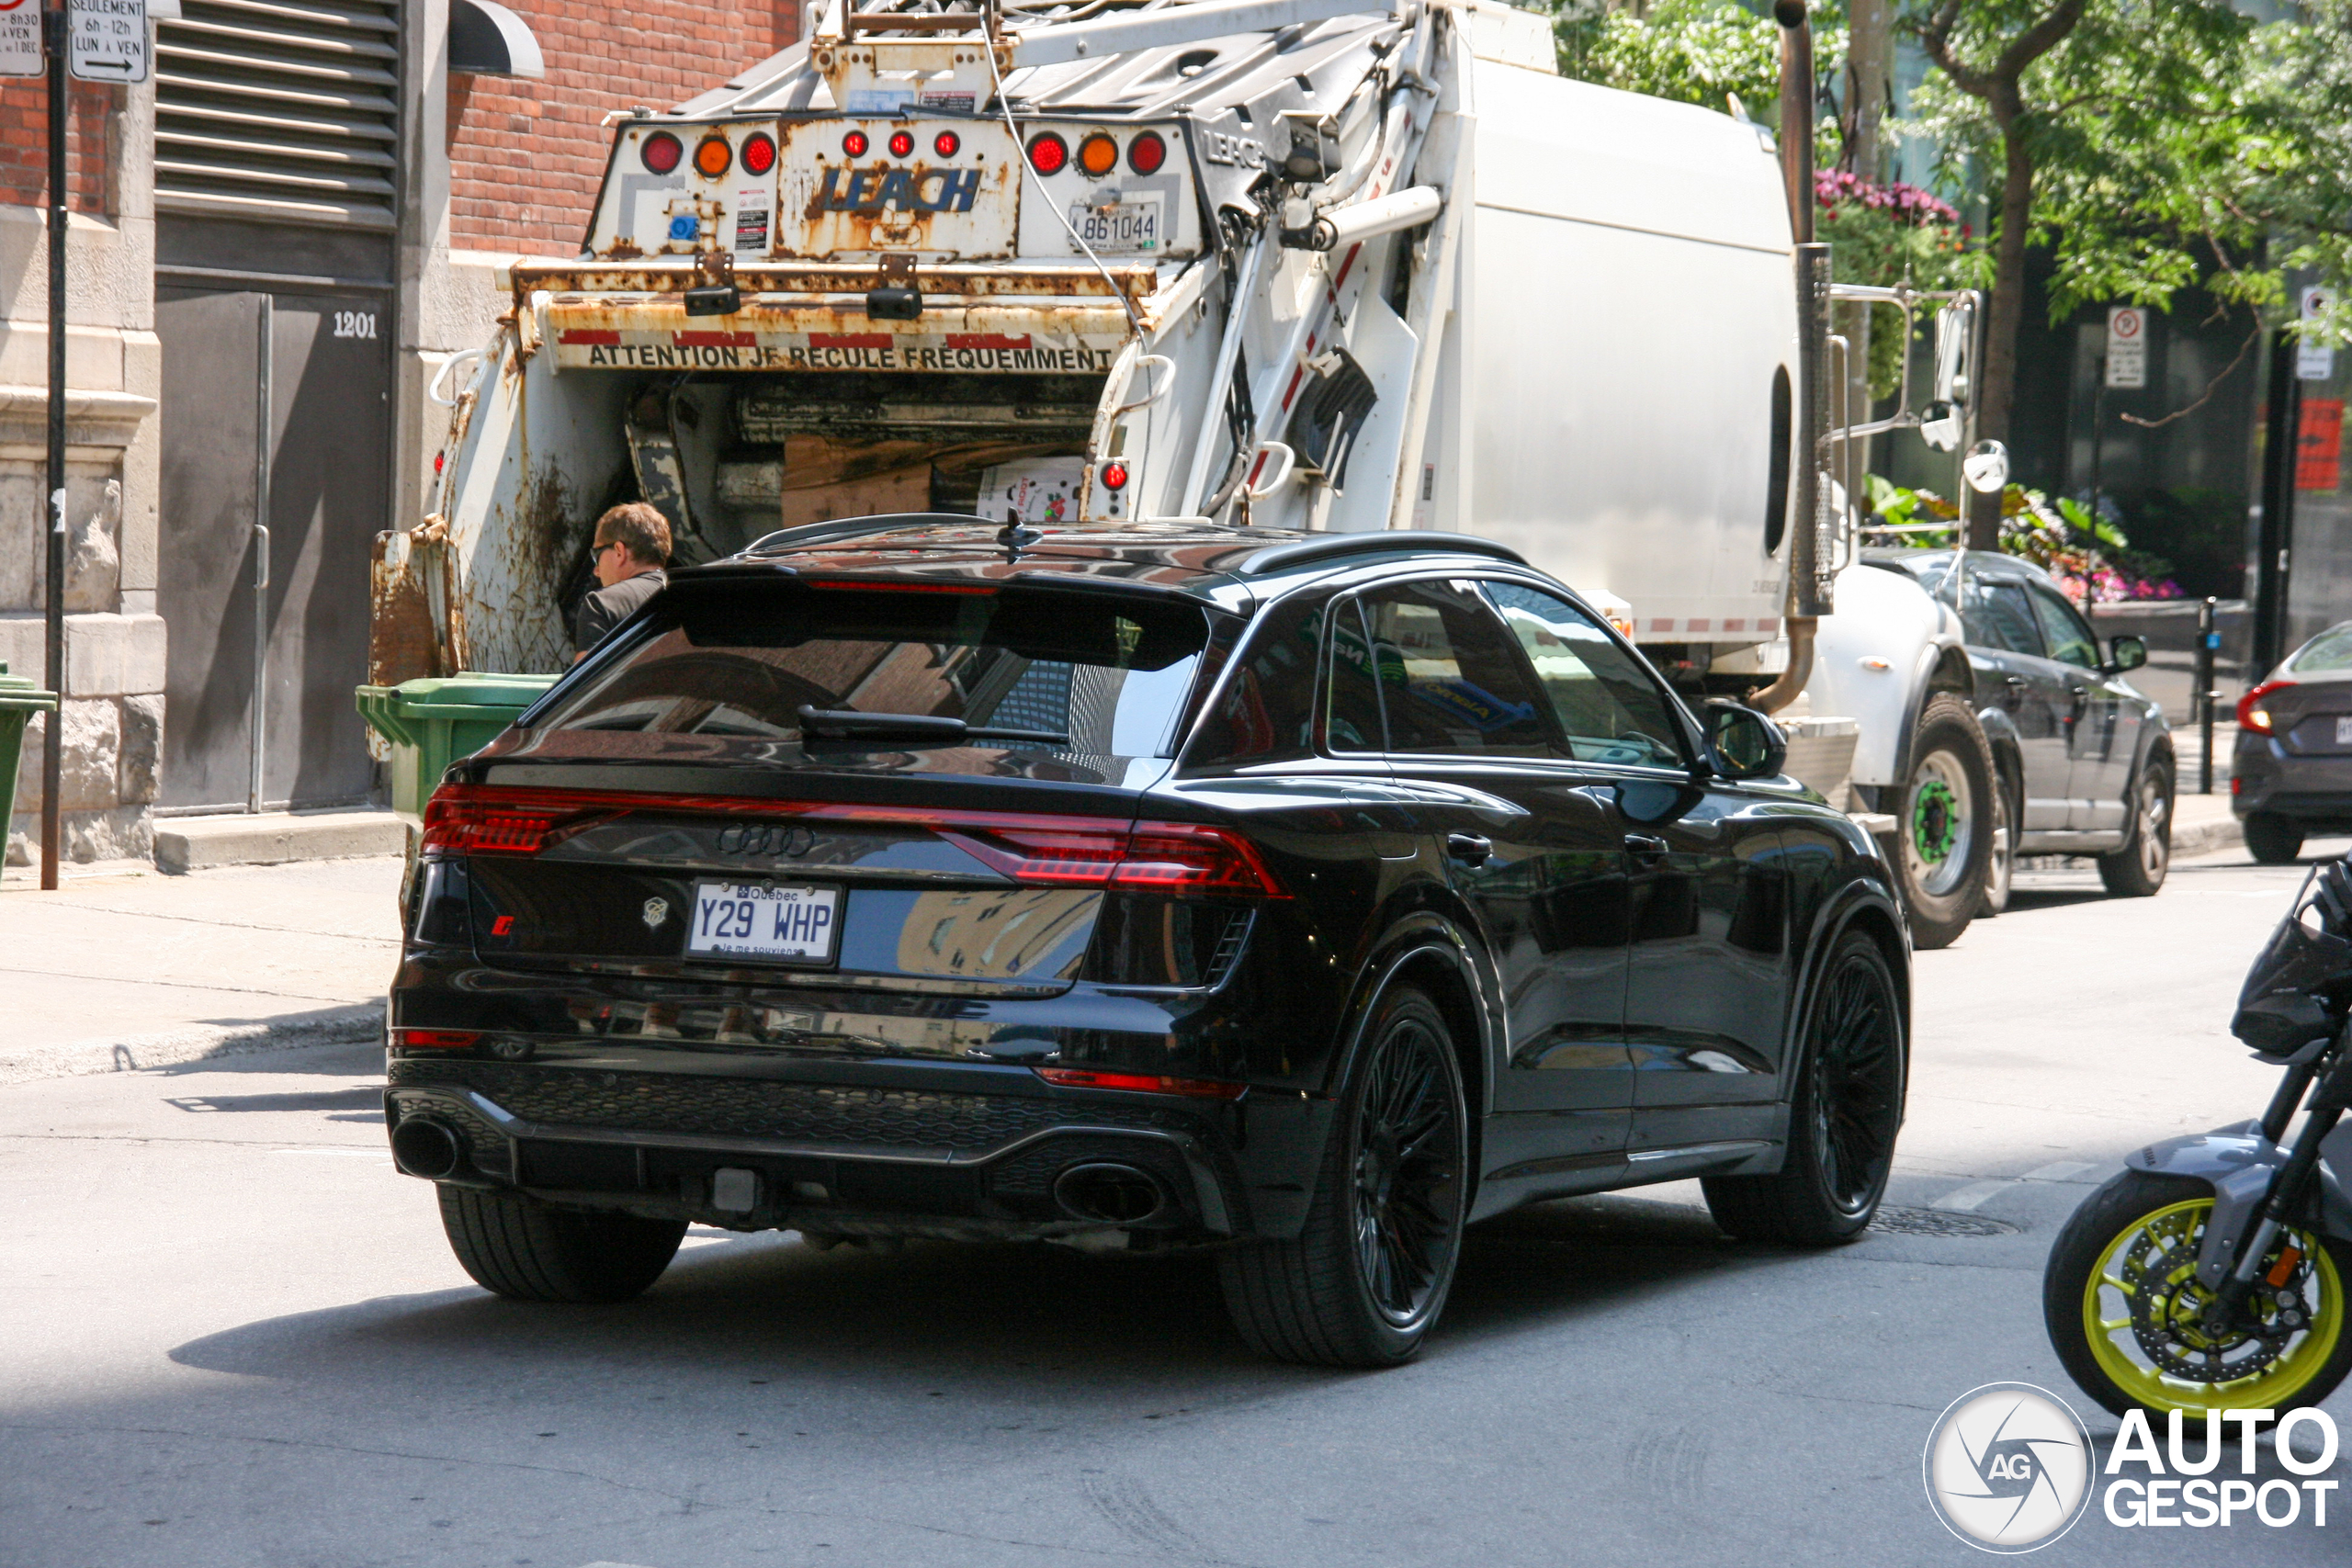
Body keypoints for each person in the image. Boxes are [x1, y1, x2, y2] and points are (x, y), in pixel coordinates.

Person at [573, 502, 671, 660]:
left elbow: (585, 684)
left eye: (596, 556)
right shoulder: (699, 596)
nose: (596, 571)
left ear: (619, 551)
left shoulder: (602, 604)